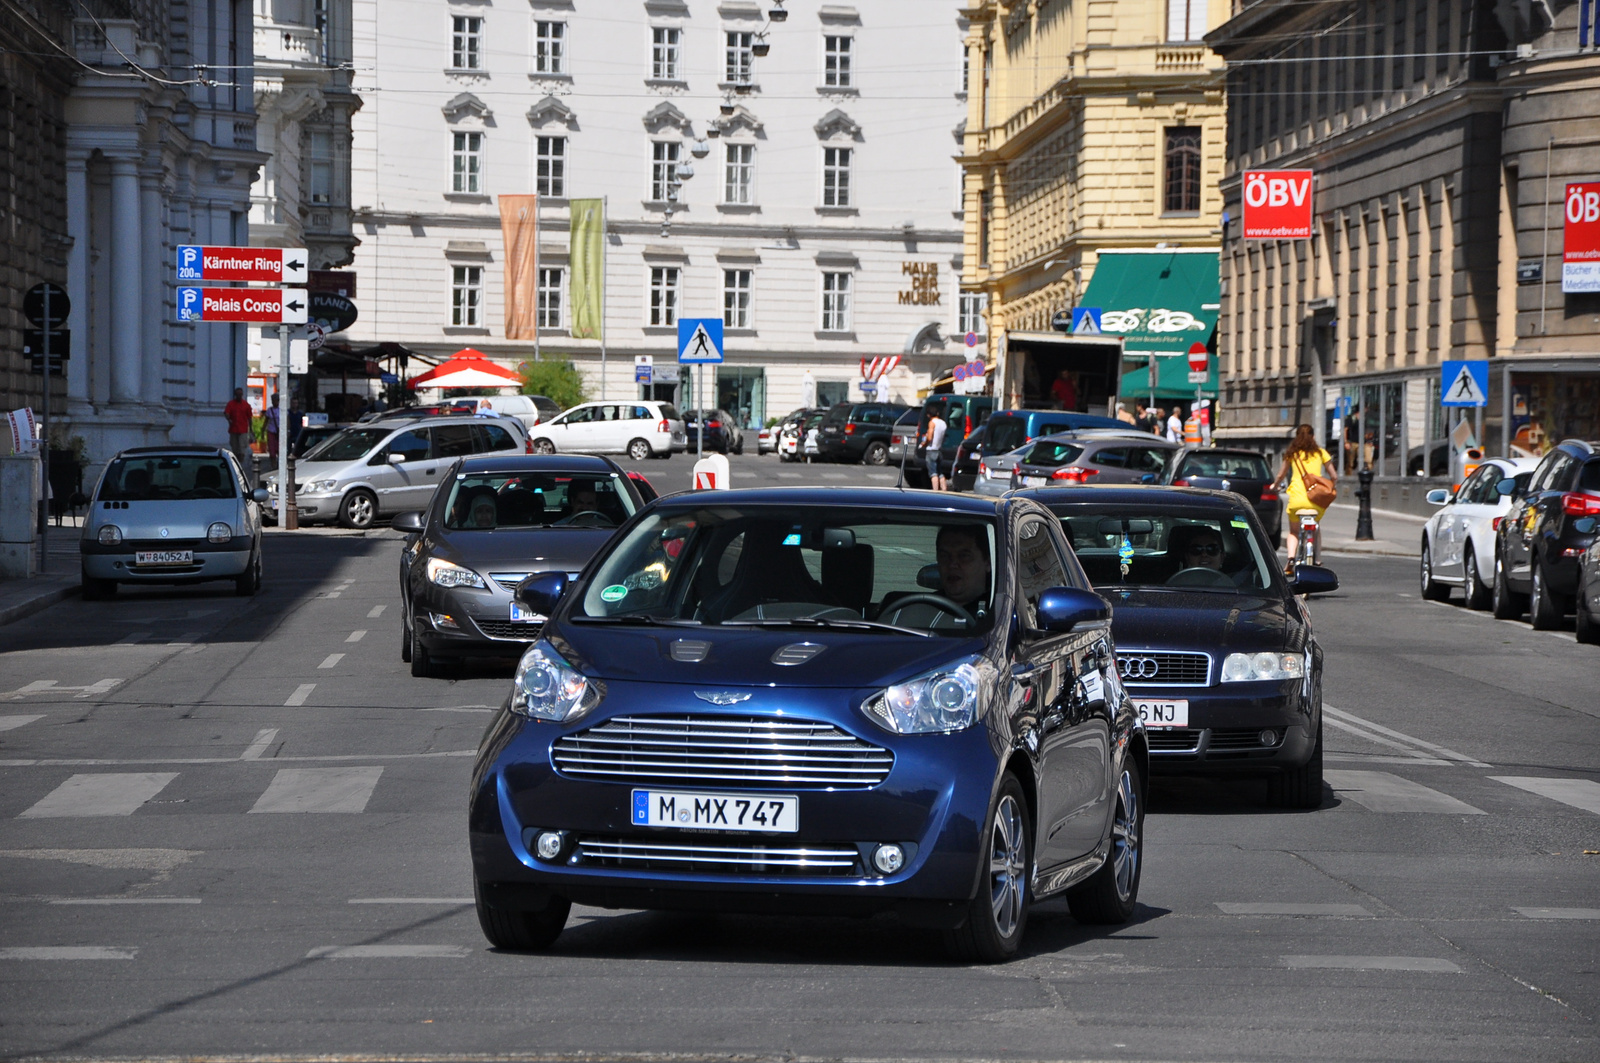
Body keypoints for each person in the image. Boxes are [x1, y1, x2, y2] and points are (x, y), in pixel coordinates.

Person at [1275, 424, 1337, 573]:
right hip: (1316, 500)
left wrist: (1275, 485)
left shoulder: (1292, 453)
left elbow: (1281, 475)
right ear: (1313, 436)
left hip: (1297, 499)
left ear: (1297, 437)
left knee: (1294, 532)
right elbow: (1334, 475)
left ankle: (1291, 557)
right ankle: (1317, 559)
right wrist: (1330, 486)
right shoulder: (1321, 453)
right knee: (1316, 526)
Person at [223, 388, 253, 483]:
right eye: (237, 394)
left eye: (240, 394)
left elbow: (249, 418)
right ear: (235, 395)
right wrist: (228, 419)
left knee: (242, 450)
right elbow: (226, 413)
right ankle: (236, 465)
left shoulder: (246, 405)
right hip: (234, 430)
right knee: (235, 449)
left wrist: (251, 430)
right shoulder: (231, 404)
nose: (239, 396)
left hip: (243, 430)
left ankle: (240, 466)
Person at [922, 406, 948, 491]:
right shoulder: (943, 423)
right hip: (939, 449)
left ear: (929, 415)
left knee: (933, 473)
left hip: (931, 450)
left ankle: (935, 491)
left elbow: (929, 437)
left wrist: (924, 444)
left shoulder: (932, 423)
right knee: (940, 473)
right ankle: (944, 489)